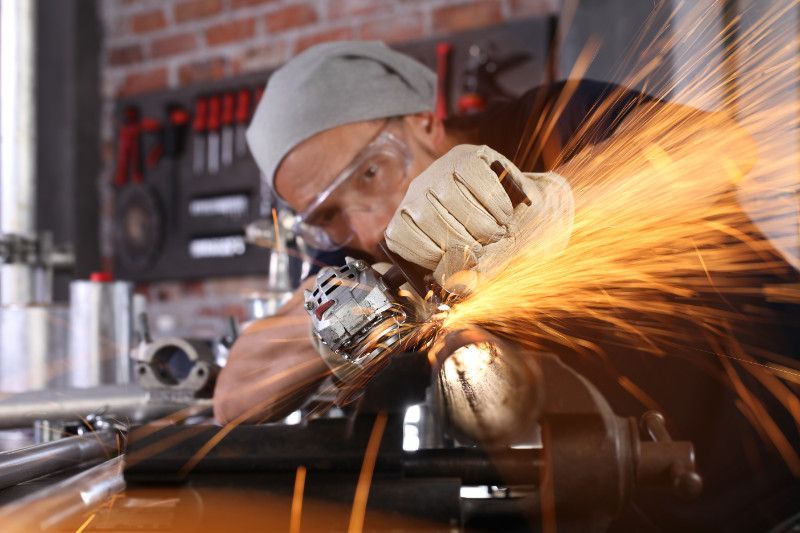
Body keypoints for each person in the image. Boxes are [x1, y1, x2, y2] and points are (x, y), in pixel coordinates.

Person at [213, 41, 798, 530]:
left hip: (774, 479)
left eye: (370, 172)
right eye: (325, 215)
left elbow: (720, 151)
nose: (362, 226)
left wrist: (560, 203)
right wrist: (378, 300)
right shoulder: (356, 256)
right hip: (627, 509)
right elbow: (236, 393)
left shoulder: (552, 120)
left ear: (424, 119)